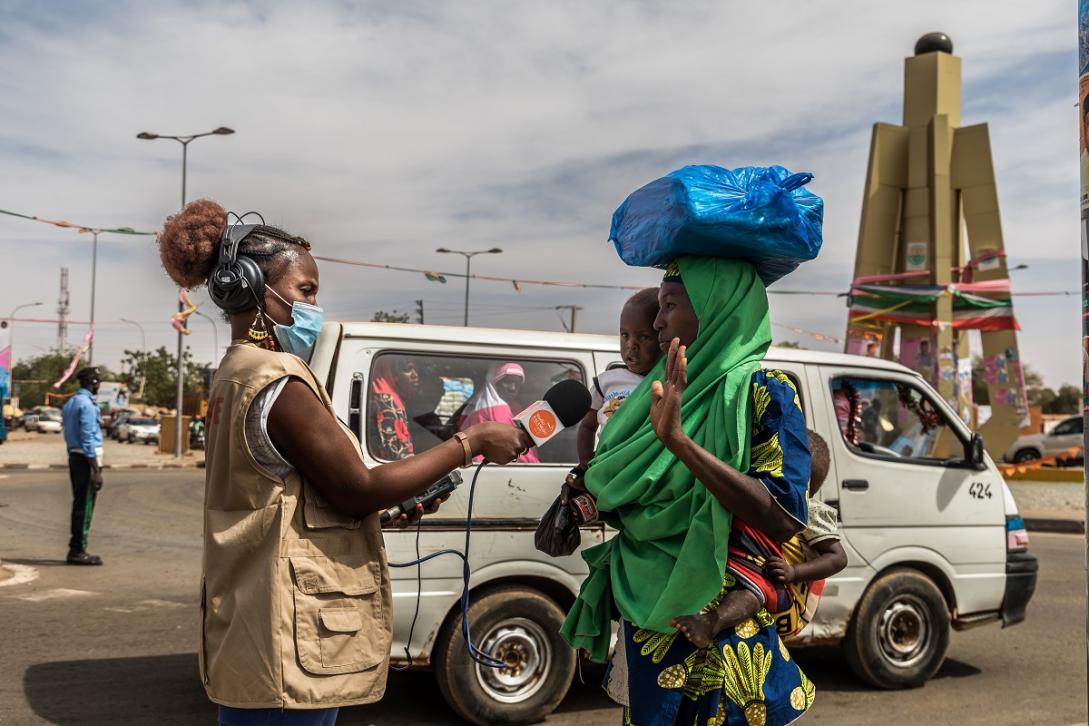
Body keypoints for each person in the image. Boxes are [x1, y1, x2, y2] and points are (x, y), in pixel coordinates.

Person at [157, 199, 530, 726]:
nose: (313, 307)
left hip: (251, 623)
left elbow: (297, 494)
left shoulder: (233, 373)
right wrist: (468, 443)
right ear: (248, 286)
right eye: (305, 291)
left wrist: (382, 514)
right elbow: (357, 487)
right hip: (284, 636)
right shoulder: (277, 379)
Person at [561, 257, 814, 726]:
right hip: (645, 612)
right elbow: (621, 488)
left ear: (716, 307)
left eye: (670, 305)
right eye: (657, 308)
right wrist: (582, 494)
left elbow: (782, 515)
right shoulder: (644, 396)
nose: (656, 322)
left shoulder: (762, 393)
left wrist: (679, 442)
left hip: (723, 625)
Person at [673, 430, 848, 647]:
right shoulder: (765, 496)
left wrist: (794, 572)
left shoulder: (810, 511)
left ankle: (712, 623)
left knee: (756, 588)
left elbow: (838, 558)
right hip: (769, 577)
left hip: (789, 599)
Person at [566, 287, 661, 495]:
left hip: (645, 478)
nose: (631, 345)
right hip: (607, 472)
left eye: (644, 337)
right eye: (624, 335)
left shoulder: (665, 382)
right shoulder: (607, 381)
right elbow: (588, 426)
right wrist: (585, 462)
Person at [60, 367, 105, 566]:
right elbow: (88, 439)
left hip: (75, 457)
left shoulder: (70, 403)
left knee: (79, 504)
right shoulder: (86, 405)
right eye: (98, 382)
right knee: (84, 507)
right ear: (92, 382)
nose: (99, 386)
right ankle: (78, 550)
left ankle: (76, 548)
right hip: (86, 460)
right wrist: (96, 470)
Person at [458, 362, 539, 463]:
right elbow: (514, 448)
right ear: (495, 382)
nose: (513, 388)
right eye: (508, 382)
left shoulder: (510, 405)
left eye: (517, 384)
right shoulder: (498, 409)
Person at [368, 355, 421, 460]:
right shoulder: (387, 402)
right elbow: (397, 455)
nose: (415, 375)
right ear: (392, 373)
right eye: (407, 369)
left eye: (416, 369)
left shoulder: (396, 398)